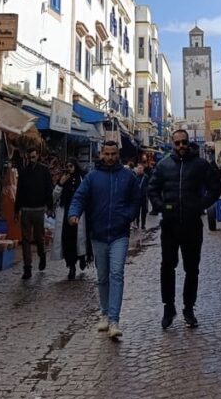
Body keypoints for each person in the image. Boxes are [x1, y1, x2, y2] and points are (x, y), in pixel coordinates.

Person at [148, 128, 221, 330]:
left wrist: (201, 205)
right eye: (177, 142)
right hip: (170, 225)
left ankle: (189, 308)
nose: (181, 146)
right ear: (173, 144)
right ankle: (168, 307)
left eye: (184, 142)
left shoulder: (200, 165)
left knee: (192, 269)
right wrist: (161, 206)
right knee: (167, 266)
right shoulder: (164, 166)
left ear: (188, 143)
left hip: (192, 225)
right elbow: (152, 189)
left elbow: (215, 187)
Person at [68, 141, 140, 339]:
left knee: (117, 274)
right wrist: (74, 213)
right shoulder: (92, 177)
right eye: (106, 153)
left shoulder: (128, 176)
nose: (110, 157)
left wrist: (128, 215)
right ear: (101, 154)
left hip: (119, 233)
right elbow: (79, 197)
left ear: (118, 154)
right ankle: (105, 313)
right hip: (98, 234)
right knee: (103, 277)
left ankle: (114, 320)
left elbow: (136, 199)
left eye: (113, 154)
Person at [15, 146, 53, 281]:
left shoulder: (44, 171)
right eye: (29, 157)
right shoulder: (24, 172)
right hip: (26, 209)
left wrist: (50, 206)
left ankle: (41, 255)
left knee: (39, 238)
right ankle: (27, 267)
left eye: (33, 157)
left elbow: (49, 189)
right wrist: (16, 209)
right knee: (25, 240)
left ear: (37, 156)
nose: (31, 160)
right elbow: (19, 191)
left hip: (38, 209)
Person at [51, 160, 93, 280]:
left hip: (80, 216)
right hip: (66, 216)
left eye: (71, 166)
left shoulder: (83, 179)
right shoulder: (63, 180)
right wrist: (60, 184)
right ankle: (71, 266)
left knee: (80, 239)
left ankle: (82, 258)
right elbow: (54, 197)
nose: (69, 168)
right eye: (67, 166)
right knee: (68, 241)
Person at [134, 163, 149, 230]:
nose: (139, 169)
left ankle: (143, 224)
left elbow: (149, 185)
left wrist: (146, 191)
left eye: (141, 168)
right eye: (138, 168)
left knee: (143, 212)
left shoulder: (146, 176)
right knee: (137, 211)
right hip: (137, 197)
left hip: (143, 196)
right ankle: (137, 224)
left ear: (143, 169)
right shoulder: (135, 176)